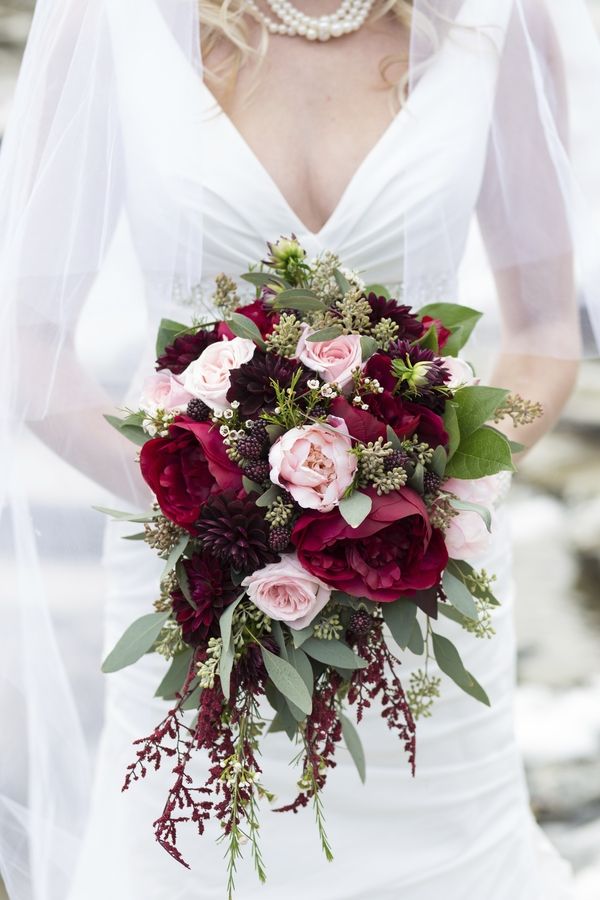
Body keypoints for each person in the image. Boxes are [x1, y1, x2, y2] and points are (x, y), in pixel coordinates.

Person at [1, 1, 599, 898]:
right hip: (198, 585)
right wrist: (213, 513)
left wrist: (437, 483)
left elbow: (548, 334)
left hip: (421, 576)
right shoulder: (112, 21)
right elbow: (33, 355)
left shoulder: (493, 20)